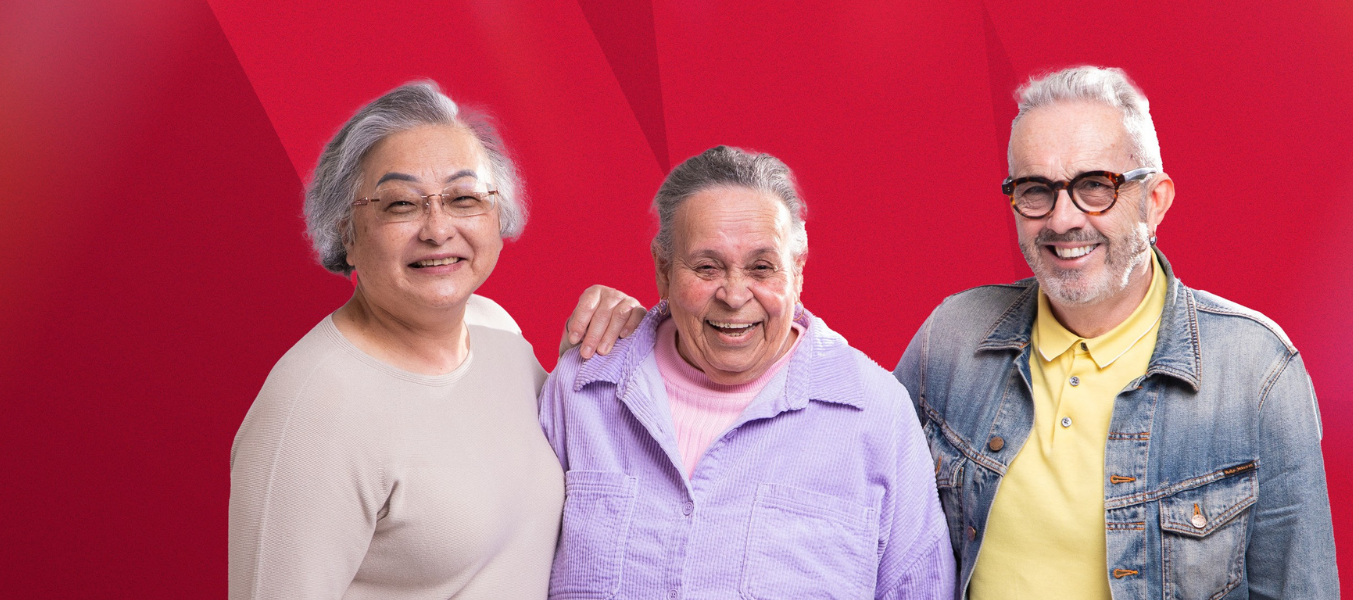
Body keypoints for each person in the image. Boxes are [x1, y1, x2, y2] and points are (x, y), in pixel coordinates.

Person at [895, 66, 1337, 598]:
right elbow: (857, 515)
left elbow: (1299, 587)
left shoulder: (1256, 372)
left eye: (1094, 187)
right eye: (1036, 190)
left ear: (1155, 200)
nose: (1062, 220)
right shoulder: (952, 338)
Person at [227, 81, 639, 599]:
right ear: (346, 233)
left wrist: (617, 343)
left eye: (464, 197)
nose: (438, 229)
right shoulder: (313, 410)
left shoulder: (496, 331)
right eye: (401, 204)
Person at [540, 146, 954, 599]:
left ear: (796, 271)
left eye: (761, 267)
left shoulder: (876, 412)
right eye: (706, 267)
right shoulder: (581, 389)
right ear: (663, 270)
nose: (735, 295)